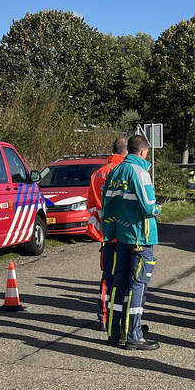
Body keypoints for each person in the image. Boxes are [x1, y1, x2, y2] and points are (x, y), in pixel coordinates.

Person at [103, 135, 162, 351]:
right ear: (143, 152)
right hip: (140, 236)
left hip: (120, 236)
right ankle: (133, 335)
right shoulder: (140, 172)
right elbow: (148, 207)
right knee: (138, 286)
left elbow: (107, 206)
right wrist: (158, 209)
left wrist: (109, 233)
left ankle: (114, 331)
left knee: (118, 285)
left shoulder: (115, 171)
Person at [87, 137, 129, 331]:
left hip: (105, 233)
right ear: (127, 152)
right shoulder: (124, 171)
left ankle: (103, 316)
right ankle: (121, 320)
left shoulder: (97, 174)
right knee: (124, 278)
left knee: (107, 277)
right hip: (123, 232)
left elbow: (91, 206)